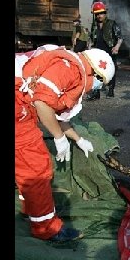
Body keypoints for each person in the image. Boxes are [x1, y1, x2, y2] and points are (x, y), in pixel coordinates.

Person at [15, 45, 115, 242]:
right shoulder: (71, 68)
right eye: (98, 83)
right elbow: (42, 104)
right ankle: (46, 228)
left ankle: (32, 209)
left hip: (20, 104)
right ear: (94, 71)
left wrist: (78, 139)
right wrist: (59, 138)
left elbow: (56, 113)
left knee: (27, 166)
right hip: (19, 109)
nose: (95, 88)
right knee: (36, 168)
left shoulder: (68, 62)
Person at [86, 1, 123, 100]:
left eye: (101, 13)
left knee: (112, 69)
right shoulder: (94, 25)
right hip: (98, 52)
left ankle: (111, 90)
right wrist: (89, 48)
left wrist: (116, 47)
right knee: (96, 71)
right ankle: (96, 92)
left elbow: (120, 37)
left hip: (110, 51)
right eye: (97, 14)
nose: (99, 16)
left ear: (105, 13)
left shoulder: (112, 23)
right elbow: (91, 38)